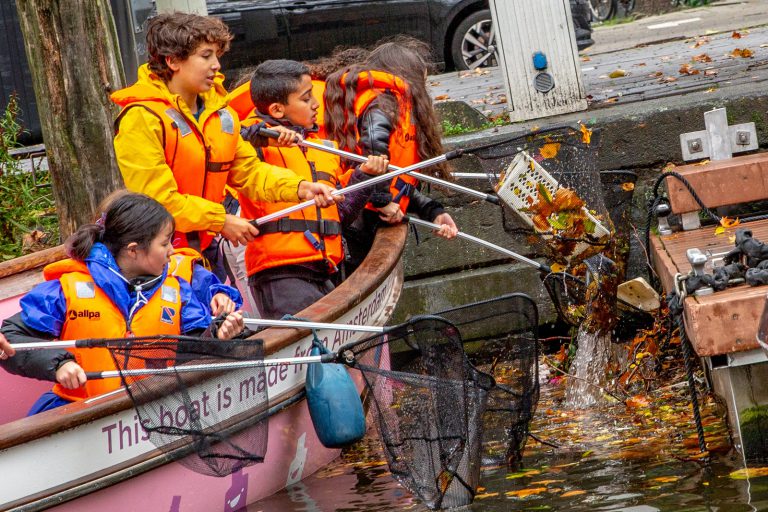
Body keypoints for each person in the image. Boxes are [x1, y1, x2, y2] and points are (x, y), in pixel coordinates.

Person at [110, 12, 339, 274]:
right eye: (206, 56)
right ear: (172, 61)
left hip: (205, 250)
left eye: (217, 55)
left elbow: (250, 173)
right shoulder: (141, 117)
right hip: (159, 259)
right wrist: (221, 221)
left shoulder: (222, 114)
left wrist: (300, 188)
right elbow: (158, 201)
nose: (217, 65)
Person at [0, 193, 244, 415]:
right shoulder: (65, 290)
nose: (172, 250)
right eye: (165, 243)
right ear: (133, 250)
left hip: (159, 412)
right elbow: (11, 338)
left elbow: (194, 344)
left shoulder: (178, 291)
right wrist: (59, 364)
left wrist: (217, 335)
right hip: (81, 411)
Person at [236, 59, 389, 319]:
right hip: (281, 273)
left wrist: (365, 176)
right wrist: (260, 135)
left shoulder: (321, 148)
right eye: (306, 99)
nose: (316, 104)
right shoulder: (251, 144)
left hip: (325, 269)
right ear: (277, 109)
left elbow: (340, 215)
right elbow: (228, 144)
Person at [323, 36, 459, 273]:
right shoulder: (383, 104)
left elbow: (399, 179)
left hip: (367, 215)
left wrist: (433, 211)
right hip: (360, 221)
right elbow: (374, 150)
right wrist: (382, 201)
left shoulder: (391, 104)